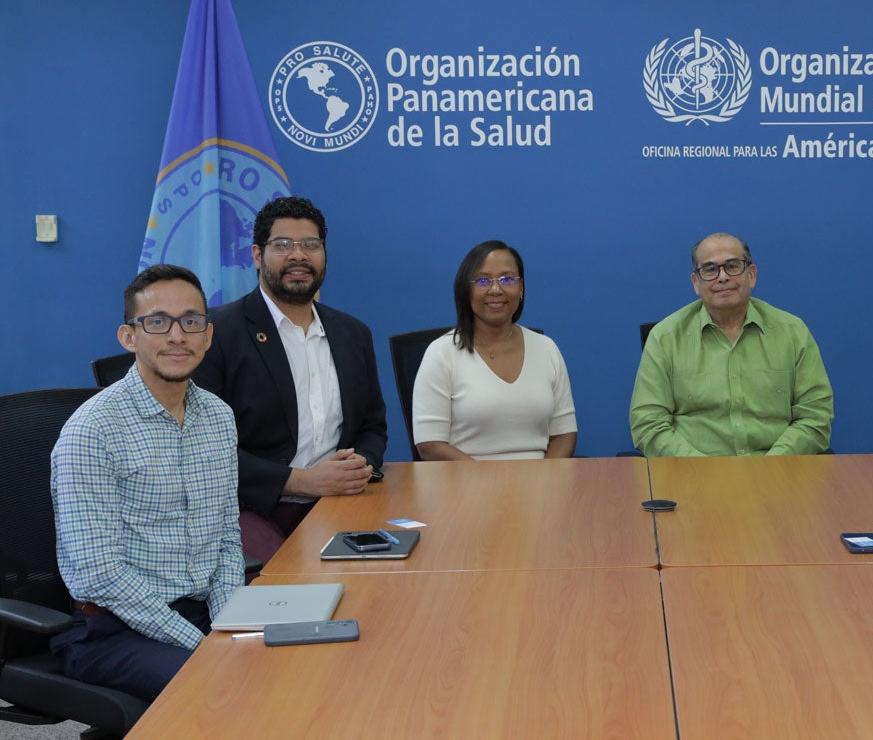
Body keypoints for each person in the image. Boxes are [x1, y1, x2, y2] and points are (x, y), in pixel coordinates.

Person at [51, 264, 242, 701]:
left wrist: (230, 626)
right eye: (157, 322)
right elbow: (100, 575)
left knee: (293, 664)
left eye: (191, 321)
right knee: (222, 690)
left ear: (208, 336)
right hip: (111, 629)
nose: (177, 336)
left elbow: (227, 539)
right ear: (129, 337)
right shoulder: (93, 431)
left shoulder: (218, 417)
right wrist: (204, 647)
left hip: (198, 612)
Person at [193, 197, 387, 563]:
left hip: (335, 499)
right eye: (283, 245)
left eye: (310, 245)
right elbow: (203, 448)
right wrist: (300, 481)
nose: (298, 255)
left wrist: (356, 466)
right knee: (282, 580)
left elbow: (373, 426)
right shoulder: (217, 333)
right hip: (247, 506)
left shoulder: (353, 334)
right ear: (257, 255)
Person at [629, 232, 834, 457]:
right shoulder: (665, 338)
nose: (723, 277)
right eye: (710, 269)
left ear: (751, 275)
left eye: (732, 266)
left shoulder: (792, 332)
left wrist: (770, 466)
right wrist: (704, 470)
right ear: (696, 283)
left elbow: (815, 416)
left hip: (778, 467)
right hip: (692, 470)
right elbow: (648, 424)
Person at [412, 240, 577, 459]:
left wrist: (547, 475)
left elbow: (564, 434)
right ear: (466, 290)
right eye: (483, 280)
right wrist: (488, 478)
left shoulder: (546, 348)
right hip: (466, 478)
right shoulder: (441, 353)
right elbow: (430, 444)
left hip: (540, 477)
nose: (496, 290)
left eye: (507, 279)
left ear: (521, 288)